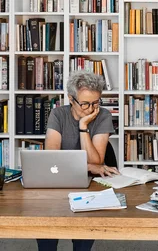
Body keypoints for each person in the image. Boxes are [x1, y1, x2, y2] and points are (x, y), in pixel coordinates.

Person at [37, 70, 119, 251]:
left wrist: (83, 127)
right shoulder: (58, 115)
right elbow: (52, 158)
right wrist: (88, 166)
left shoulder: (103, 115)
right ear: (70, 99)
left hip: (91, 184)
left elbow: (96, 161)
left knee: (84, 229)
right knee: (46, 219)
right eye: (84, 104)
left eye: (95, 102)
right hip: (59, 179)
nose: (90, 109)